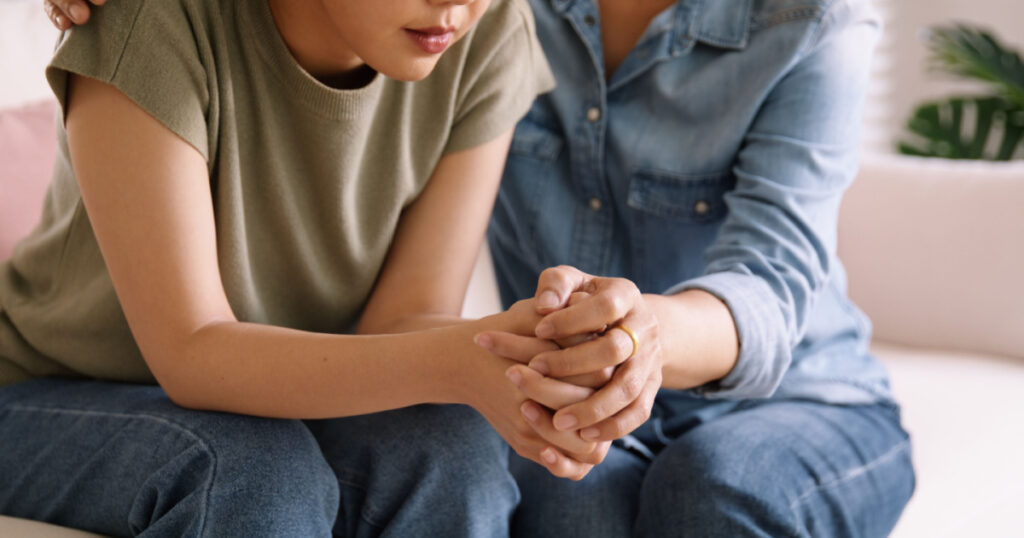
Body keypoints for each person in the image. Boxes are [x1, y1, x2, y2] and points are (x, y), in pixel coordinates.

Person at [44, 0, 917, 536]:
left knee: (702, 494)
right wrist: (500, 353)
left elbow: (773, 278)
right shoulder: (164, 23)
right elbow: (198, 347)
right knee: (540, 496)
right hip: (78, 384)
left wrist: (570, 343)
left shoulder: (484, 26)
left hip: (787, 390)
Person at [0, 0, 610, 536]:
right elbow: (190, 353)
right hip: (47, 392)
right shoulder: (153, 16)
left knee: (452, 447)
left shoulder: (490, 30)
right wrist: (457, 361)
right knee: (247, 471)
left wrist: (518, 348)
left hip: (283, 402)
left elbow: (402, 319)